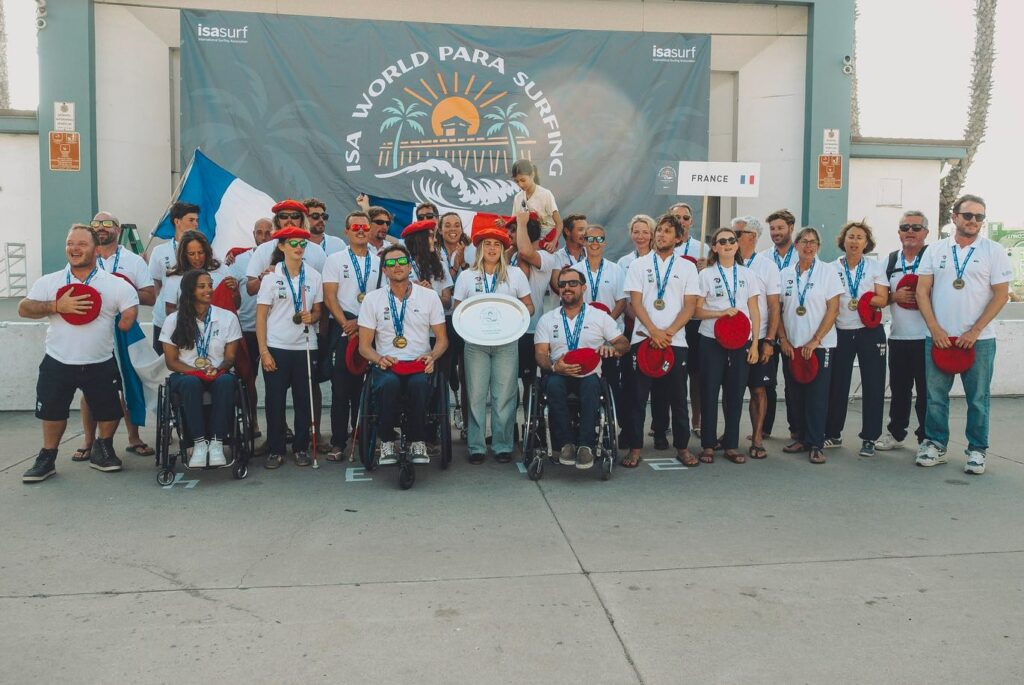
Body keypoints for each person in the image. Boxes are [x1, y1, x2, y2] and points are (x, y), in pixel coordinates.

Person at [20, 224, 139, 482]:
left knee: (110, 411)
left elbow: (130, 302)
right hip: (58, 360)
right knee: (52, 411)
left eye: (82, 244)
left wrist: (129, 316)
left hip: (100, 361)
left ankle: (103, 448)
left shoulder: (114, 284)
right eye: (70, 243)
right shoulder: (49, 281)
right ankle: (47, 457)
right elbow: (24, 308)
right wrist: (56, 305)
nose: (74, 249)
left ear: (96, 250)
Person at [915, 194, 1012, 475]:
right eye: (968, 215)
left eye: (979, 217)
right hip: (939, 338)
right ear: (954, 217)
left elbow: (1001, 295)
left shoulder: (993, 251)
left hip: (979, 341)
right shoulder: (935, 250)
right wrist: (934, 328)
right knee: (935, 397)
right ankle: (935, 445)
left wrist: (975, 330)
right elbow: (922, 291)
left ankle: (977, 450)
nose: (973, 221)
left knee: (978, 398)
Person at [72, 211, 157, 463]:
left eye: (107, 223)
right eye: (96, 224)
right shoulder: (83, 257)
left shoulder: (134, 261)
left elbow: (150, 297)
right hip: (91, 331)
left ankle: (134, 438)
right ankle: (89, 441)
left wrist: (122, 289)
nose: (101, 227)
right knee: (90, 387)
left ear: (118, 230)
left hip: (124, 329)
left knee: (129, 384)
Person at [358, 245, 448, 465]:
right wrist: (379, 358)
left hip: (419, 362)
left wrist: (432, 356)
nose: (396, 266)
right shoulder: (372, 299)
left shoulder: (429, 297)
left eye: (401, 262)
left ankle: (418, 441)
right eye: (390, 263)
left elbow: (442, 340)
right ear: (384, 270)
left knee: (419, 385)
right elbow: (364, 346)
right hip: (387, 363)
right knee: (388, 385)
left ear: (409, 267)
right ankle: (387, 441)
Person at [622, 213, 700, 468]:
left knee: (678, 398)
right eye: (659, 230)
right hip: (643, 338)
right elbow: (635, 303)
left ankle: (683, 447)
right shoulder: (639, 265)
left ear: (678, 238)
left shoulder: (687, 267)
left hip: (675, 342)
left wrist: (668, 332)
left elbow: (690, 306)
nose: (661, 235)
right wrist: (654, 331)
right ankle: (635, 448)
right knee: (637, 398)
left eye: (667, 231)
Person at [452, 228, 535, 464]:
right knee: (476, 395)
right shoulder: (467, 276)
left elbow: (529, 306)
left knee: (505, 395)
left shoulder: (515, 274)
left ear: (503, 249)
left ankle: (502, 445)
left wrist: (514, 316)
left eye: (497, 244)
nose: (492, 248)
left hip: (506, 342)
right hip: (475, 344)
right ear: (480, 248)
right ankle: (476, 446)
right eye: (487, 244)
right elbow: (458, 310)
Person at [534, 273, 629, 468]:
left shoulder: (599, 317)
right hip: (559, 372)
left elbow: (623, 343)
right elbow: (541, 354)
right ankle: (566, 444)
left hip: (589, 375)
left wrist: (612, 348)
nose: (567, 287)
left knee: (591, 385)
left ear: (583, 288)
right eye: (562, 284)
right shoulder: (547, 319)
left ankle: (586, 446)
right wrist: (553, 367)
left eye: (573, 283)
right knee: (553, 385)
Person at [255, 226, 324, 469]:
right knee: (275, 401)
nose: (298, 247)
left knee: (304, 400)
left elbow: (318, 311)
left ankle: (301, 447)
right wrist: (264, 351)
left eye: (302, 243)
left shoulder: (314, 276)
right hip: (276, 346)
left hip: (305, 346)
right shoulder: (271, 277)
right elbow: (261, 316)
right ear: (282, 246)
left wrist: (312, 317)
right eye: (293, 243)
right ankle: (275, 449)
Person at [160, 269, 242, 467]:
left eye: (210, 285)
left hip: (218, 371)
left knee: (226, 381)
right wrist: (196, 371)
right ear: (190, 290)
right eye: (202, 286)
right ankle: (198, 444)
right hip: (186, 374)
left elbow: (230, 357)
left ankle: (216, 442)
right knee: (190, 383)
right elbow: (171, 361)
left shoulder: (227, 318)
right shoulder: (173, 320)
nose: (209, 290)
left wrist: (218, 369)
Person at [777, 227, 843, 464]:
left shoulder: (828, 272)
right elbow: (778, 311)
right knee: (795, 394)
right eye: (804, 241)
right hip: (792, 345)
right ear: (796, 245)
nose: (809, 246)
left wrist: (816, 340)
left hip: (820, 346)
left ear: (818, 247)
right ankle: (801, 438)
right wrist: (783, 340)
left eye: (813, 242)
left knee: (817, 396)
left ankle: (816, 443)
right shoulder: (785, 274)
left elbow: (833, 309)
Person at [695, 226, 761, 464]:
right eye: (721, 241)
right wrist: (720, 313)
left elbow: (754, 311)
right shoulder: (705, 275)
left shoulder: (748, 274)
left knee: (735, 393)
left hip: (741, 341)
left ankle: (731, 444)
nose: (727, 244)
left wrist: (755, 344)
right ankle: (708, 444)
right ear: (714, 247)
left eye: (731, 240)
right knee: (709, 392)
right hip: (711, 340)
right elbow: (696, 311)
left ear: (737, 245)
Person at [823, 221, 889, 456]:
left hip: (869, 330)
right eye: (851, 236)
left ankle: (870, 437)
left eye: (860, 237)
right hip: (840, 331)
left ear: (866, 243)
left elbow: (883, 299)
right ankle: (833, 433)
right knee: (837, 384)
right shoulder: (830, 268)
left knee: (873, 384)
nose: (854, 241)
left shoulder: (875, 267)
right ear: (843, 240)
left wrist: (862, 300)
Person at [322, 211, 384, 459]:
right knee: (341, 389)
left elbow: (383, 297)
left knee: (367, 388)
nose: (360, 230)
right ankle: (338, 442)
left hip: (370, 327)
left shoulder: (379, 262)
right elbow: (329, 297)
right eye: (355, 227)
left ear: (369, 231)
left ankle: (365, 436)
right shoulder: (335, 260)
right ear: (346, 231)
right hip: (343, 327)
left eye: (364, 227)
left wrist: (361, 323)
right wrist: (346, 324)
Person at [876, 211, 930, 451]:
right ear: (899, 233)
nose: (910, 232)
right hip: (898, 337)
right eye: (905, 227)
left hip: (928, 337)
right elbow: (879, 297)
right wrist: (893, 297)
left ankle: (926, 438)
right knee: (899, 390)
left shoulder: (933, 258)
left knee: (927, 392)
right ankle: (896, 433)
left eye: (916, 228)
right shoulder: (889, 261)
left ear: (925, 232)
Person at [570, 224, 627, 439]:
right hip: (583, 337)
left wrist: (605, 323)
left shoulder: (616, 269)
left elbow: (622, 301)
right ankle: (584, 427)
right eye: (590, 239)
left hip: (610, 336)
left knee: (612, 383)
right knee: (585, 383)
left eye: (599, 239)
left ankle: (619, 430)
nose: (595, 243)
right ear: (583, 242)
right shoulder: (575, 271)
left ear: (605, 242)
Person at [732, 216, 781, 459]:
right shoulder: (726, 262)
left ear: (752, 236)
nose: (732, 239)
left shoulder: (767, 266)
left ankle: (758, 438)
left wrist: (769, 341)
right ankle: (730, 437)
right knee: (731, 390)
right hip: (731, 338)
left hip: (759, 337)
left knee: (759, 389)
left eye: (737, 234)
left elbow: (774, 306)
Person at [227, 218, 273, 439]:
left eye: (268, 232)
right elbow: (230, 290)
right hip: (247, 327)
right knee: (248, 379)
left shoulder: (282, 256)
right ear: (253, 234)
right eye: (259, 232)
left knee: (277, 383)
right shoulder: (239, 259)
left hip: (275, 330)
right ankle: (252, 421)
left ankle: (280, 426)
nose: (264, 237)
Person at [759, 209, 799, 439]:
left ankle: (796, 429)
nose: (776, 232)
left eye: (780, 228)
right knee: (767, 381)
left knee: (793, 382)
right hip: (770, 327)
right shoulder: (763, 258)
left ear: (791, 228)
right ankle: (764, 428)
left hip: (793, 327)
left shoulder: (802, 255)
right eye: (772, 228)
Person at [669, 202, 706, 441]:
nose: (681, 221)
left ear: (691, 222)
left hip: (694, 320)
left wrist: (706, 267)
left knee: (696, 373)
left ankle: (697, 420)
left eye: (685, 217)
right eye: (677, 217)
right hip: (671, 318)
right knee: (672, 373)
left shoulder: (702, 248)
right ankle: (669, 421)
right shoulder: (663, 245)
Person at [510, 211, 560, 386]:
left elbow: (525, 251)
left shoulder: (547, 257)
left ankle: (531, 405)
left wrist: (522, 223)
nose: (509, 234)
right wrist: (511, 249)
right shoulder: (513, 255)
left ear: (527, 231)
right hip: (508, 328)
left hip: (530, 328)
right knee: (507, 379)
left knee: (529, 381)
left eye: (514, 230)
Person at [245, 200, 327, 295]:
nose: (289, 220)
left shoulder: (317, 251)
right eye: (283, 216)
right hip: (270, 304)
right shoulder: (263, 249)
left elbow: (325, 289)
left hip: (307, 304)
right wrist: (262, 277)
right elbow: (250, 290)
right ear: (277, 220)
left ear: (302, 220)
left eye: (295, 216)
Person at [149, 201, 199, 355]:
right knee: (163, 361)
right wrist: (160, 300)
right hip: (164, 319)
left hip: (195, 319)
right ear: (177, 222)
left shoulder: (203, 250)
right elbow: (155, 281)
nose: (196, 224)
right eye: (191, 220)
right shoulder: (159, 251)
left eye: (197, 220)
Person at [163, 230, 238, 316]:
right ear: (184, 255)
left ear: (207, 251)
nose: (197, 258)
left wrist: (235, 290)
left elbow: (236, 305)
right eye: (191, 254)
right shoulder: (174, 277)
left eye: (201, 252)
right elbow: (170, 310)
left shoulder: (221, 270)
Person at [510, 158, 561, 251]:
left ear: (532, 175)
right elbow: (514, 223)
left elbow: (559, 224)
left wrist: (553, 242)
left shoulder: (545, 194)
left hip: (546, 238)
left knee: (524, 253)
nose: (520, 184)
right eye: (516, 181)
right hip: (526, 238)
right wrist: (504, 223)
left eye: (523, 180)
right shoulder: (518, 197)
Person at [402, 219, 454, 310]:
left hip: (436, 318)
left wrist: (431, 292)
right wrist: (411, 290)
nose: (435, 240)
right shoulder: (401, 266)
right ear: (419, 240)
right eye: (431, 236)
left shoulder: (441, 265)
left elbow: (448, 304)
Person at [549, 213, 588, 294]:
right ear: (567, 231)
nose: (585, 233)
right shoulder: (557, 257)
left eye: (586, 230)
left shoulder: (591, 254)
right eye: (581, 230)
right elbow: (557, 285)